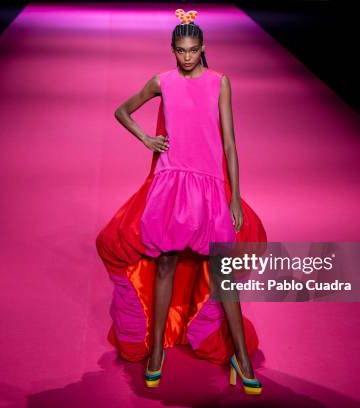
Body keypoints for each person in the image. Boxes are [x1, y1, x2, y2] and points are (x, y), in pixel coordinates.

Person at [96, 9, 267, 396]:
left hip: (209, 186)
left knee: (222, 273)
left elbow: (229, 143)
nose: (187, 56)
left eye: (192, 50)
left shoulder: (220, 83)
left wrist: (234, 196)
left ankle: (240, 355)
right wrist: (146, 138)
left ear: (203, 47)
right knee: (164, 266)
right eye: (180, 50)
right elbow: (122, 110)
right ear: (173, 49)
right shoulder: (162, 82)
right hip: (171, 184)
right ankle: (156, 352)